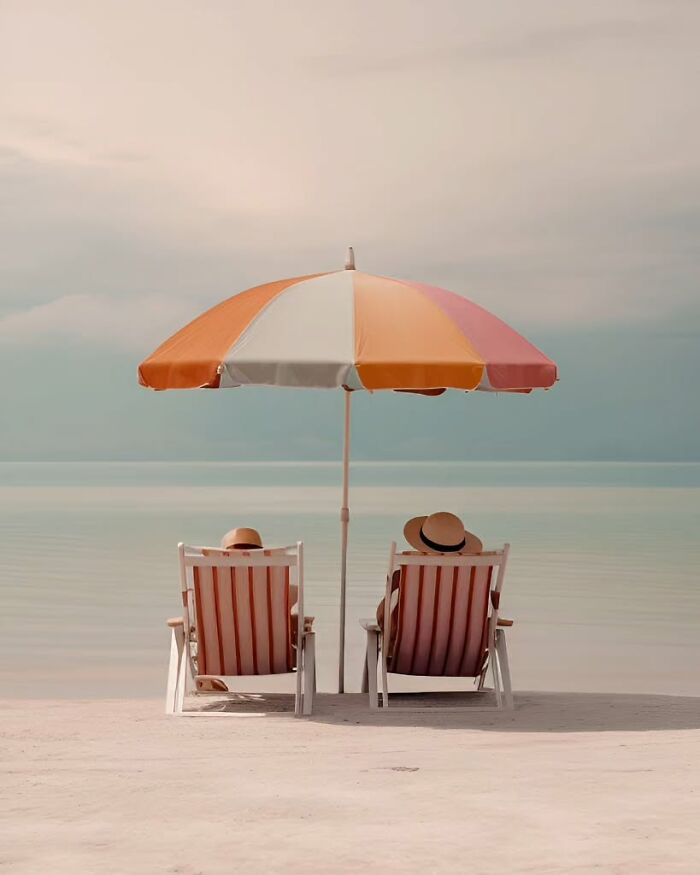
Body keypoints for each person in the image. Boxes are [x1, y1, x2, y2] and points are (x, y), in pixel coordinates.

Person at [376, 511, 483, 631]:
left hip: (409, 646)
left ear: (421, 545)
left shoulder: (406, 575)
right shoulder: (473, 578)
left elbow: (382, 617)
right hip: (464, 646)